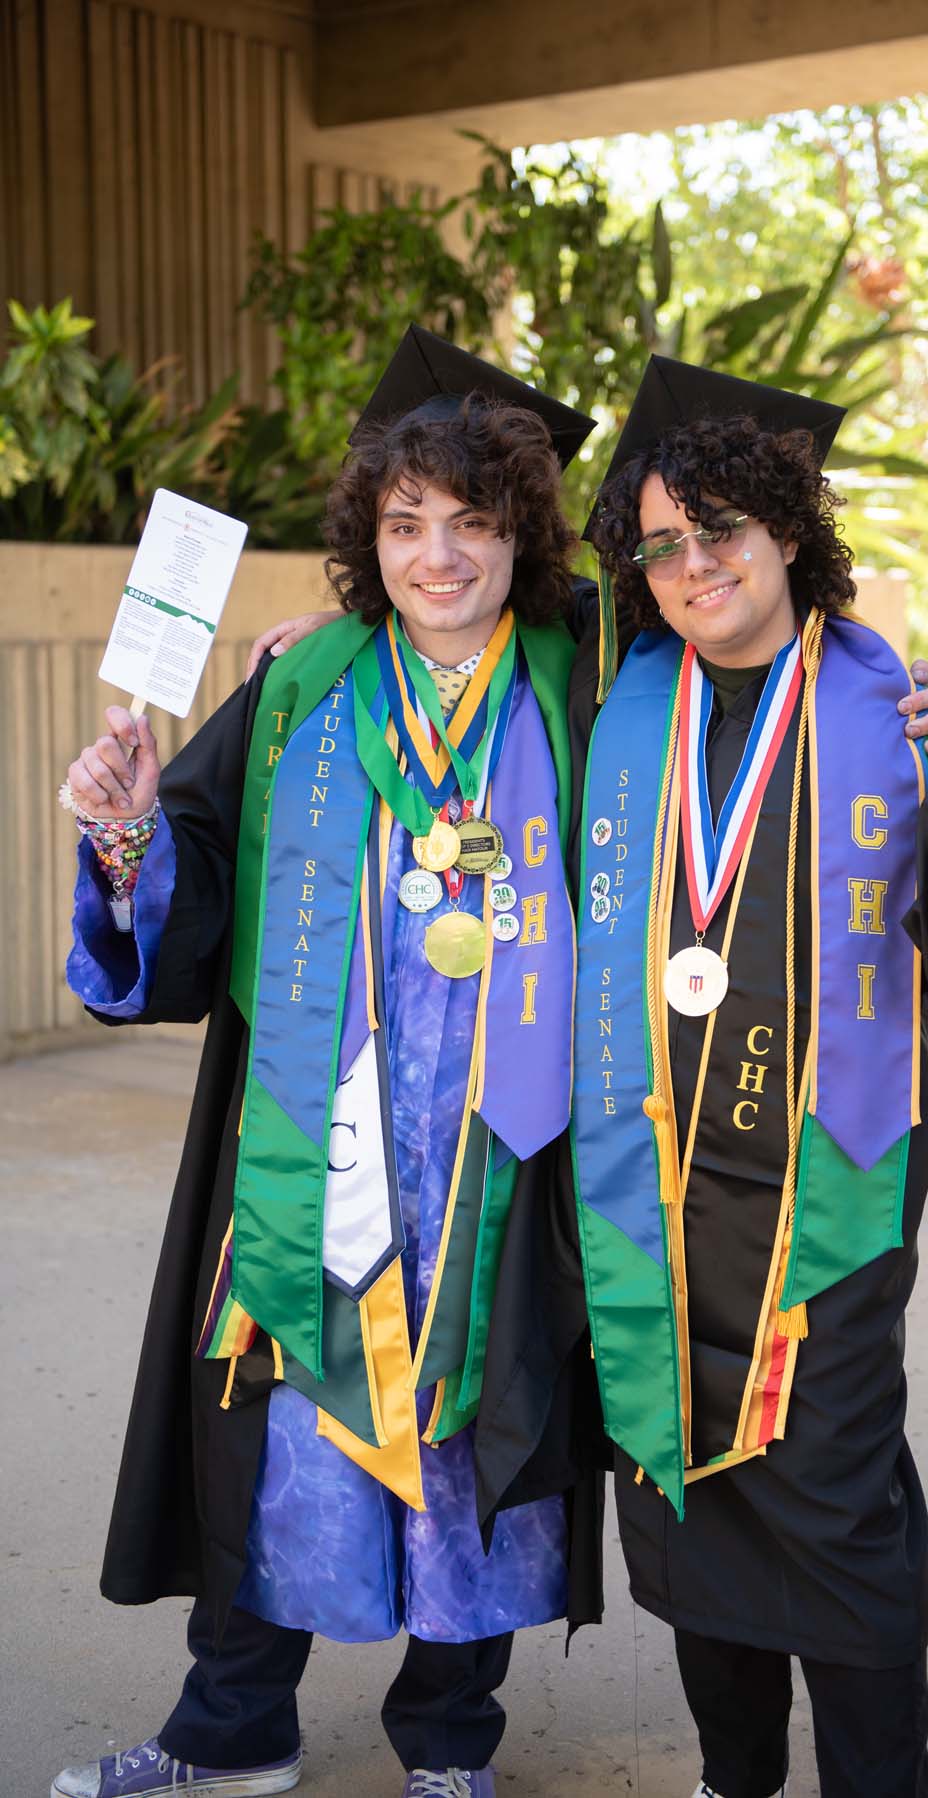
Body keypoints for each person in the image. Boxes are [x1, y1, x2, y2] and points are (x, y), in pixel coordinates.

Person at [52, 327, 604, 1798]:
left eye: (475, 523)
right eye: (407, 521)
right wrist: (124, 828)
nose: (439, 556)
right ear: (367, 533)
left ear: (521, 537)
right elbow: (197, 855)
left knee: (482, 1423)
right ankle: (236, 1725)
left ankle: (448, 1743)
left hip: (503, 1153)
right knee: (280, 1418)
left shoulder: (586, 672)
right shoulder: (304, 689)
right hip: (323, 1140)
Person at [566, 355, 928, 1798]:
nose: (694, 564)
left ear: (786, 535)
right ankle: (734, 1775)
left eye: (722, 532)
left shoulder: (884, 699)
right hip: (652, 1175)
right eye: (663, 542)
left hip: (821, 1181)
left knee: (833, 1495)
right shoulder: (624, 703)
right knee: (681, 1472)